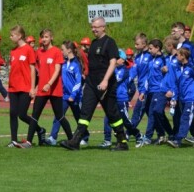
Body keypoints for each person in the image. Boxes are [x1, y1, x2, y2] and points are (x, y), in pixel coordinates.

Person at [60, 17, 129, 151]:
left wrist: (105, 81)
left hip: (106, 83)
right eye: (92, 27)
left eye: (96, 27)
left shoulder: (110, 42)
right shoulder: (93, 43)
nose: (93, 29)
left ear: (103, 27)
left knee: (112, 113)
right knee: (85, 111)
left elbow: (113, 62)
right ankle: (75, 141)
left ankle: (122, 141)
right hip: (92, 82)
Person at [21, 29, 70, 148]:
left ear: (51, 38)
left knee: (60, 116)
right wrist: (35, 86)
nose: (44, 39)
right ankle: (28, 142)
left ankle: (72, 140)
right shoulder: (39, 52)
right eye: (42, 37)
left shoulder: (56, 52)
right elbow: (33, 66)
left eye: (46, 37)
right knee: (34, 115)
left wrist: (49, 83)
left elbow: (57, 70)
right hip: (42, 90)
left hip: (54, 89)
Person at [100, 49, 143, 148]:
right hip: (112, 98)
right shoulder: (112, 68)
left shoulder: (124, 71)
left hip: (121, 99)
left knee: (125, 121)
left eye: (117, 58)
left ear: (122, 60)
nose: (114, 60)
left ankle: (138, 135)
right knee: (107, 119)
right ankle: (107, 140)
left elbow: (116, 79)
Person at [46, 41, 85, 146]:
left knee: (79, 118)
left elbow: (78, 82)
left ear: (69, 50)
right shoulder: (63, 63)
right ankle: (53, 137)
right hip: (63, 95)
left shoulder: (76, 64)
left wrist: (73, 95)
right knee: (58, 116)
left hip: (75, 97)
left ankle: (84, 136)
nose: (61, 51)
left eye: (62, 49)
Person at [166, 48, 194, 148]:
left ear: (183, 56)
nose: (176, 56)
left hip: (190, 99)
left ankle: (178, 140)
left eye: (177, 55)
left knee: (185, 118)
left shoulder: (191, 68)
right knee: (191, 121)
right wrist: (174, 98)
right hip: (181, 99)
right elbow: (175, 84)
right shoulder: (177, 68)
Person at [7, 25, 36, 148]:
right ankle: (13, 140)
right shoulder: (13, 51)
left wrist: (32, 87)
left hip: (25, 87)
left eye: (12, 35)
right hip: (13, 87)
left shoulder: (29, 49)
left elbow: (32, 69)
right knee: (13, 113)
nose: (10, 37)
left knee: (22, 114)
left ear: (19, 36)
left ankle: (38, 128)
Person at [140, 39, 171, 145]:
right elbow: (148, 76)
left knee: (153, 112)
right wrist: (144, 91)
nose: (149, 51)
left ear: (157, 48)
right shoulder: (151, 59)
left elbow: (169, 72)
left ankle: (148, 137)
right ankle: (167, 134)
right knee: (157, 113)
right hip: (150, 90)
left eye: (151, 48)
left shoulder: (163, 59)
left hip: (159, 90)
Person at [130, 33, 154, 147]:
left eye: (137, 44)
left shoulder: (150, 56)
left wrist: (144, 90)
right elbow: (134, 71)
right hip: (141, 89)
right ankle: (163, 133)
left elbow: (150, 75)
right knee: (152, 114)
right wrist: (127, 79)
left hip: (147, 89)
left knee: (137, 112)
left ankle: (128, 132)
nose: (135, 46)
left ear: (144, 44)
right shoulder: (138, 56)